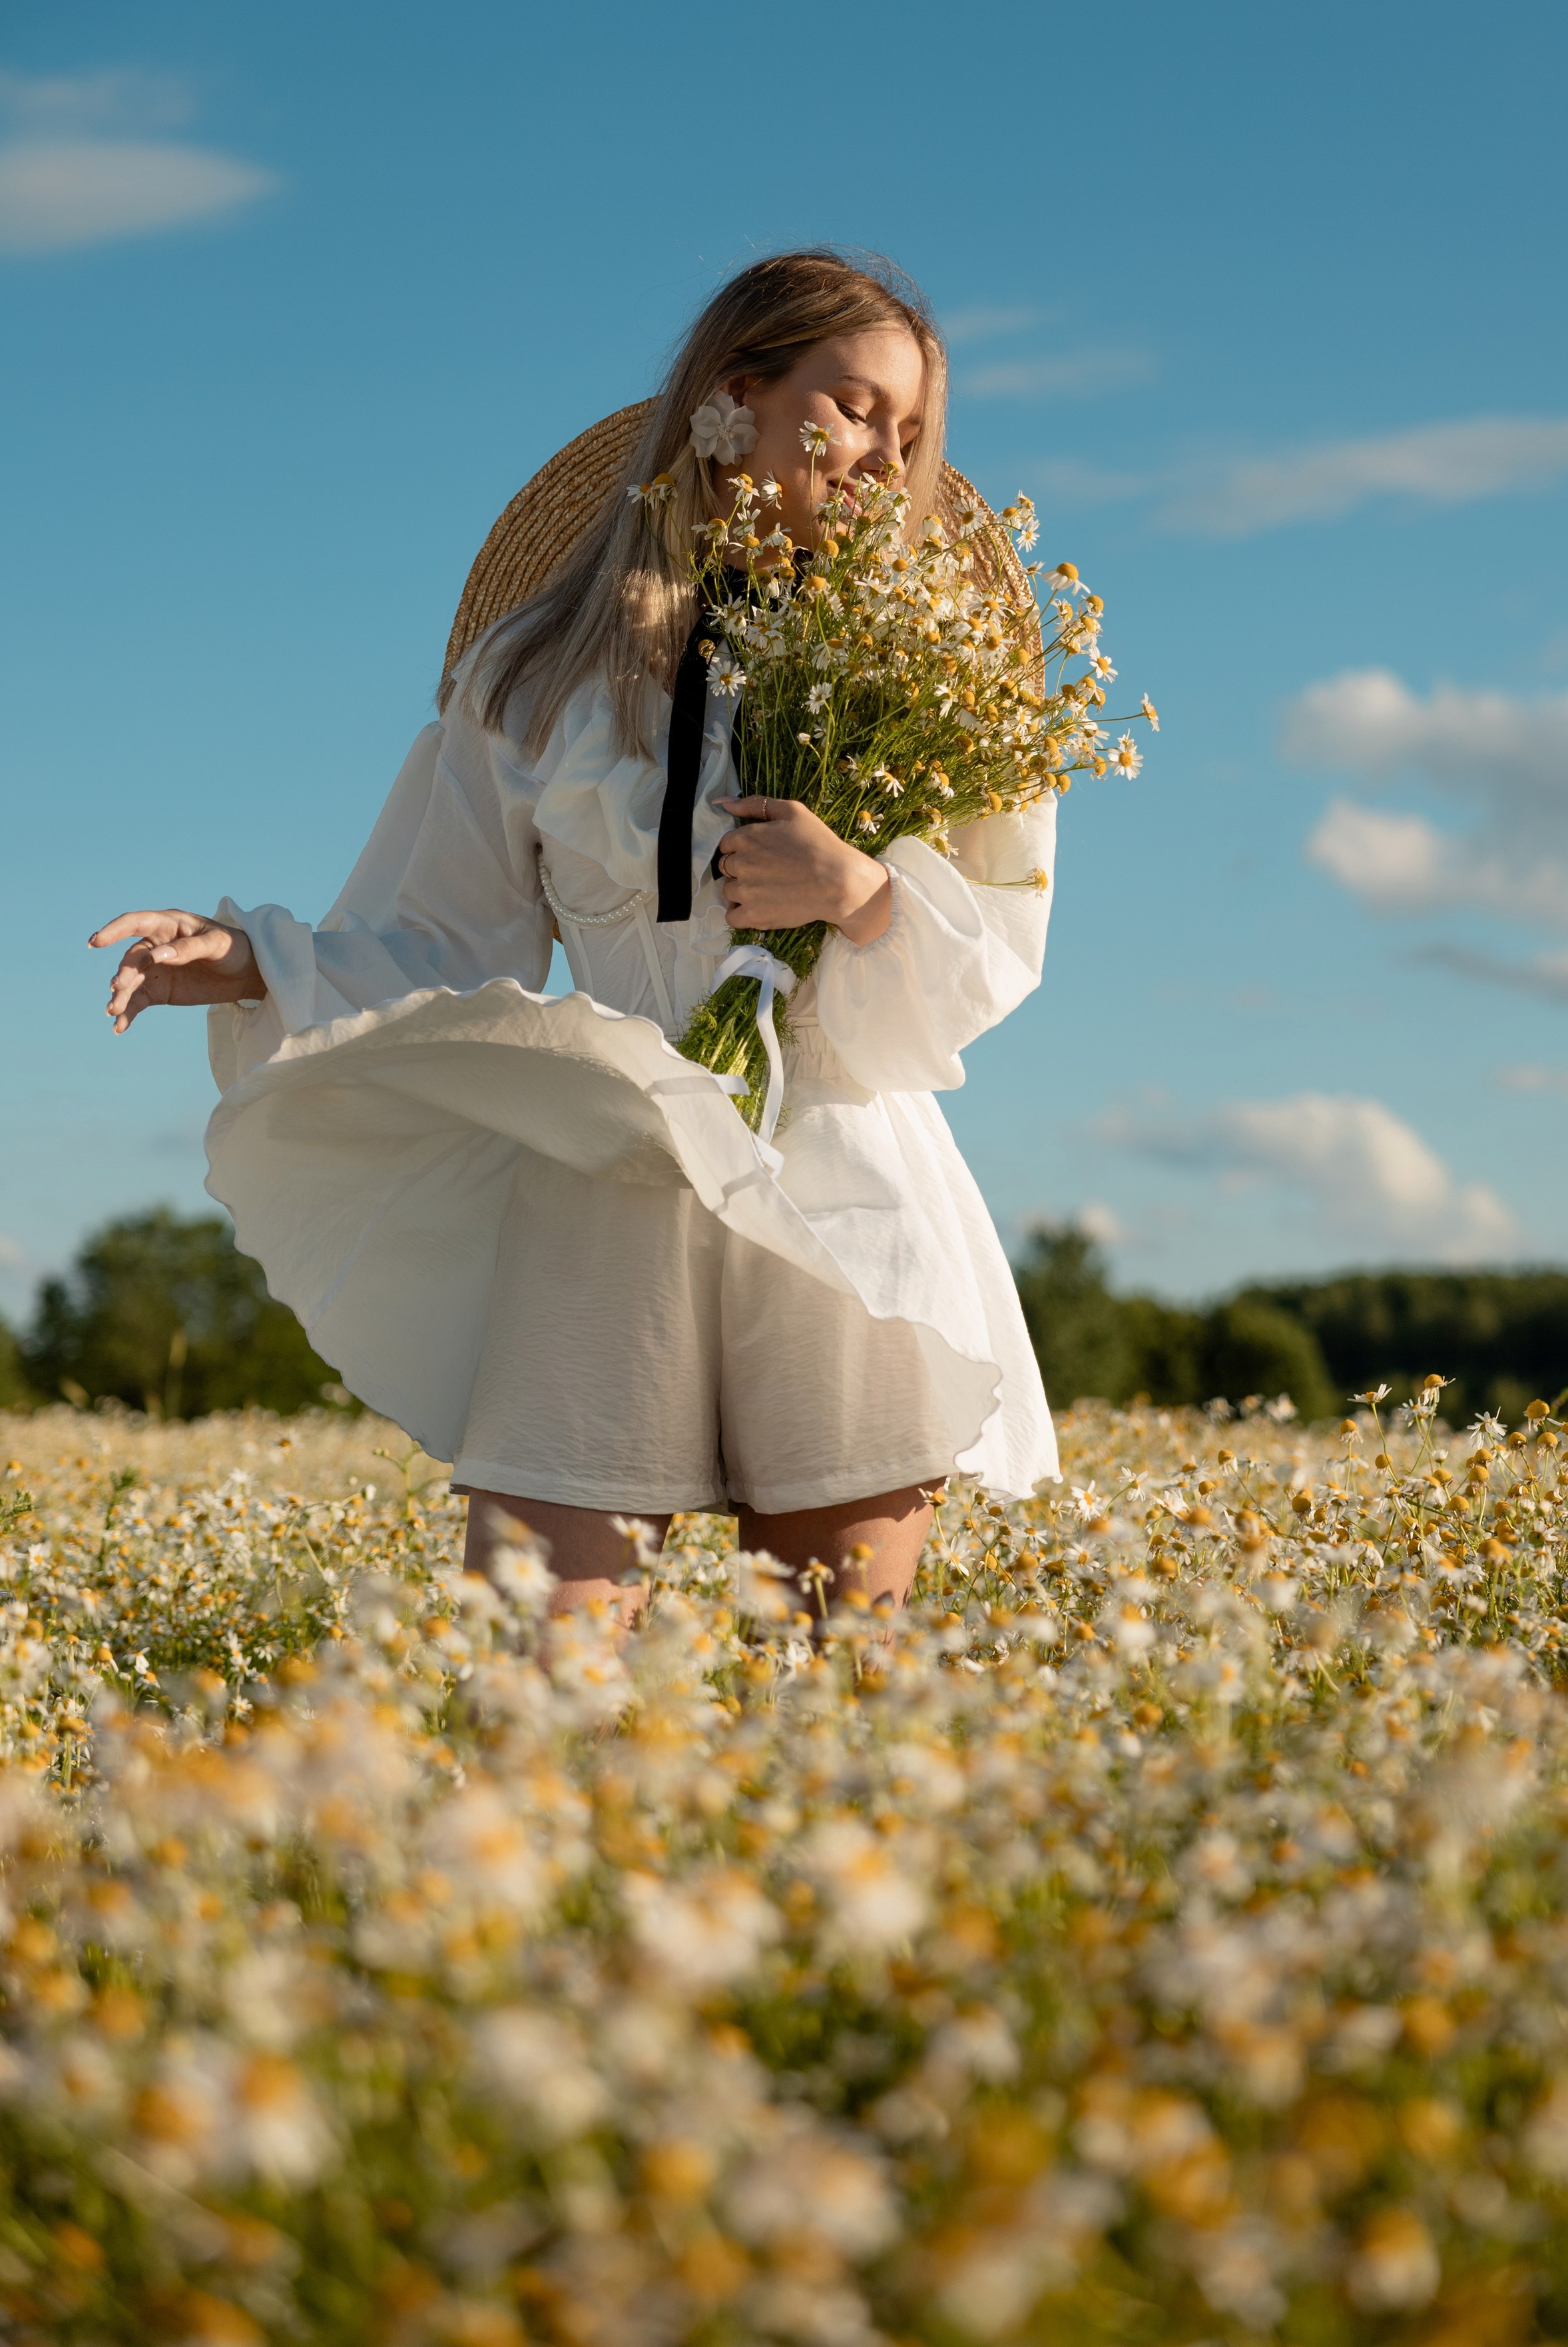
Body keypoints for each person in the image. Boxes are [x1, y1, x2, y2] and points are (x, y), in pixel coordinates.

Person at [91, 250, 1059, 1626]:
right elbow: (439, 940)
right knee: (548, 1680)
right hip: (608, 1171)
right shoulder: (539, 678)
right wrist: (253, 958)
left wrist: (857, 891)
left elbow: (990, 955)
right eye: (850, 408)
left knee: (843, 1695)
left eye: (908, 435)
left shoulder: (935, 681)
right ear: (735, 397)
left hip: (840, 1187)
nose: (881, 458)